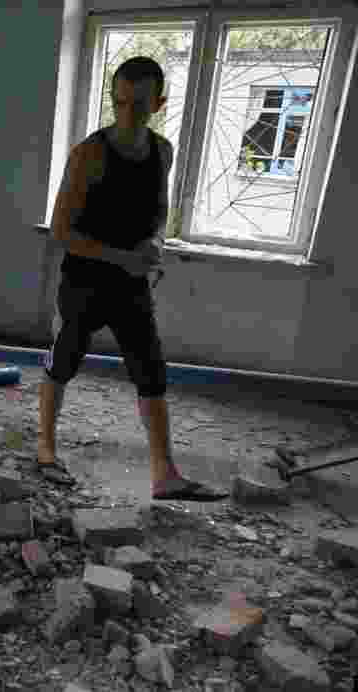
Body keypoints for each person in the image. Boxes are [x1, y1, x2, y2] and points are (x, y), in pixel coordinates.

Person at [37, 56, 228, 502]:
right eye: (119, 102)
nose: (126, 114)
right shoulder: (89, 153)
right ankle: (46, 451)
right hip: (83, 283)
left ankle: (165, 475)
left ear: (158, 103)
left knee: (151, 372)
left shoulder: (163, 151)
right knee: (61, 362)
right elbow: (61, 233)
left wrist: (156, 243)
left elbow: (160, 212)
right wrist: (122, 257)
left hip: (131, 286)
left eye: (137, 105)